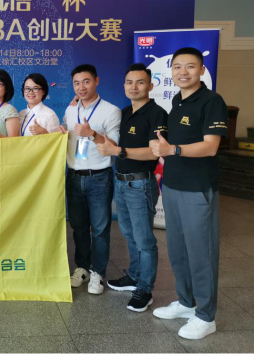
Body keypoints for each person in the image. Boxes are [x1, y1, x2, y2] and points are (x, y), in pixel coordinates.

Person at [150, 47, 228, 340]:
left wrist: (172, 149)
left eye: (190, 66)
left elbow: (210, 146)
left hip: (197, 188)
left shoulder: (212, 101)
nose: (183, 72)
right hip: (172, 185)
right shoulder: (177, 101)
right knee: (178, 250)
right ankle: (186, 302)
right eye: (177, 67)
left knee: (201, 252)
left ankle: (206, 316)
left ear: (202, 70)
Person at [95, 63, 167, 312]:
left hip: (140, 183)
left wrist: (118, 151)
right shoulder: (125, 112)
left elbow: (154, 152)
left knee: (145, 240)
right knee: (129, 234)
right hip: (121, 181)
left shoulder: (156, 113)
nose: (133, 87)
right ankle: (135, 276)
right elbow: (110, 143)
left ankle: (145, 289)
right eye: (129, 82)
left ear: (150, 85)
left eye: (139, 82)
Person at [60, 64, 121, 295]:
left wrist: (92, 134)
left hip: (99, 177)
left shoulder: (111, 111)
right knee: (78, 228)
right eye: (76, 83)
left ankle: (98, 272)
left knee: (100, 229)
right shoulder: (70, 110)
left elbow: (113, 145)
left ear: (96, 81)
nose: (81, 87)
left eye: (86, 81)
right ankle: (82, 268)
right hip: (74, 176)